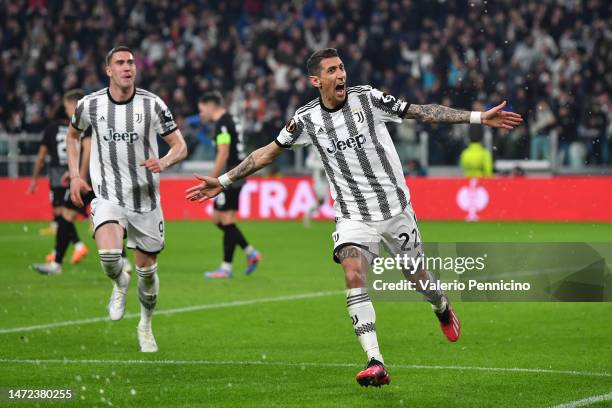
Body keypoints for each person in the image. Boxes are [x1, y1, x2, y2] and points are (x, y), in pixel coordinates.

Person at [186, 48, 522, 386]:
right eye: (332, 70)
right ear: (316, 81)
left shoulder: (368, 99)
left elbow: (421, 112)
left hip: (395, 210)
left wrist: (478, 118)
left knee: (419, 280)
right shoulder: (304, 119)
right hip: (352, 216)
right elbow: (267, 153)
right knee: (351, 273)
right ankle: (375, 360)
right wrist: (225, 181)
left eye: (342, 67)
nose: (340, 75)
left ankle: (441, 306)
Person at [67, 46, 187, 352]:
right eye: (120, 63)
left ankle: (145, 325)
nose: (127, 67)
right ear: (109, 70)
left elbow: (179, 146)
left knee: (147, 274)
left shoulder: (152, 105)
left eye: (131, 62)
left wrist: (166, 161)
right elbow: (73, 135)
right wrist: (76, 175)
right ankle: (119, 282)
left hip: (146, 200)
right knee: (109, 257)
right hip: (107, 194)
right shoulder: (90, 104)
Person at [197, 92, 261, 279]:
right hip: (236, 173)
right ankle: (250, 252)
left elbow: (223, 154)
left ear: (211, 106)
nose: (201, 115)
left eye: (202, 110)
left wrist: (212, 180)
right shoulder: (231, 119)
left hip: (230, 177)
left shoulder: (222, 124)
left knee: (226, 219)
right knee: (218, 219)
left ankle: (226, 268)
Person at [29, 90, 92, 274]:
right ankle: (58, 260)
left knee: (67, 216)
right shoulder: (85, 120)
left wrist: (79, 176)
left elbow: (87, 148)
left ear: (74, 105)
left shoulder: (85, 120)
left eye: (67, 107)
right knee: (66, 216)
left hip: (93, 179)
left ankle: (61, 259)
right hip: (86, 176)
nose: (66, 111)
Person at [303, 146, 328, 227]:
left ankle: (308, 214)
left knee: (322, 201)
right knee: (321, 199)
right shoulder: (314, 152)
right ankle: (307, 214)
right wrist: (322, 166)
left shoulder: (327, 150)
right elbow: (308, 163)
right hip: (319, 181)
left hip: (327, 181)